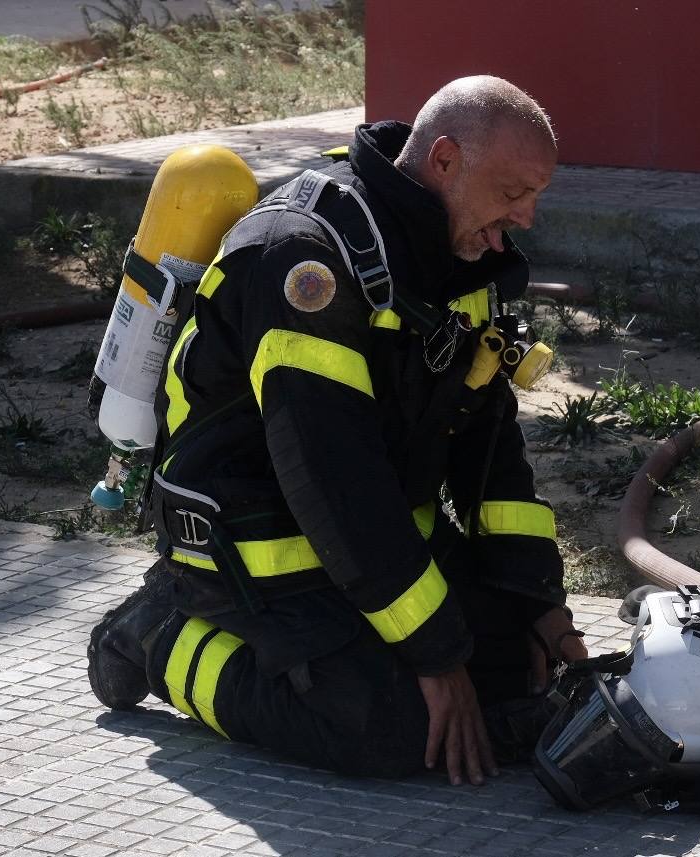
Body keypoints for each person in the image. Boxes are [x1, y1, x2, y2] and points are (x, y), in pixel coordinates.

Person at [88, 75, 588, 787]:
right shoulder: (303, 260)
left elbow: (489, 445)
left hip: (370, 540)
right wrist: (435, 656)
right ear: (444, 160)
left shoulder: (461, 258)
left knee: (517, 672)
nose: (529, 217)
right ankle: (159, 634)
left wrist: (536, 600)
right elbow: (332, 476)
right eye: (515, 193)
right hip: (252, 550)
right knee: (395, 728)